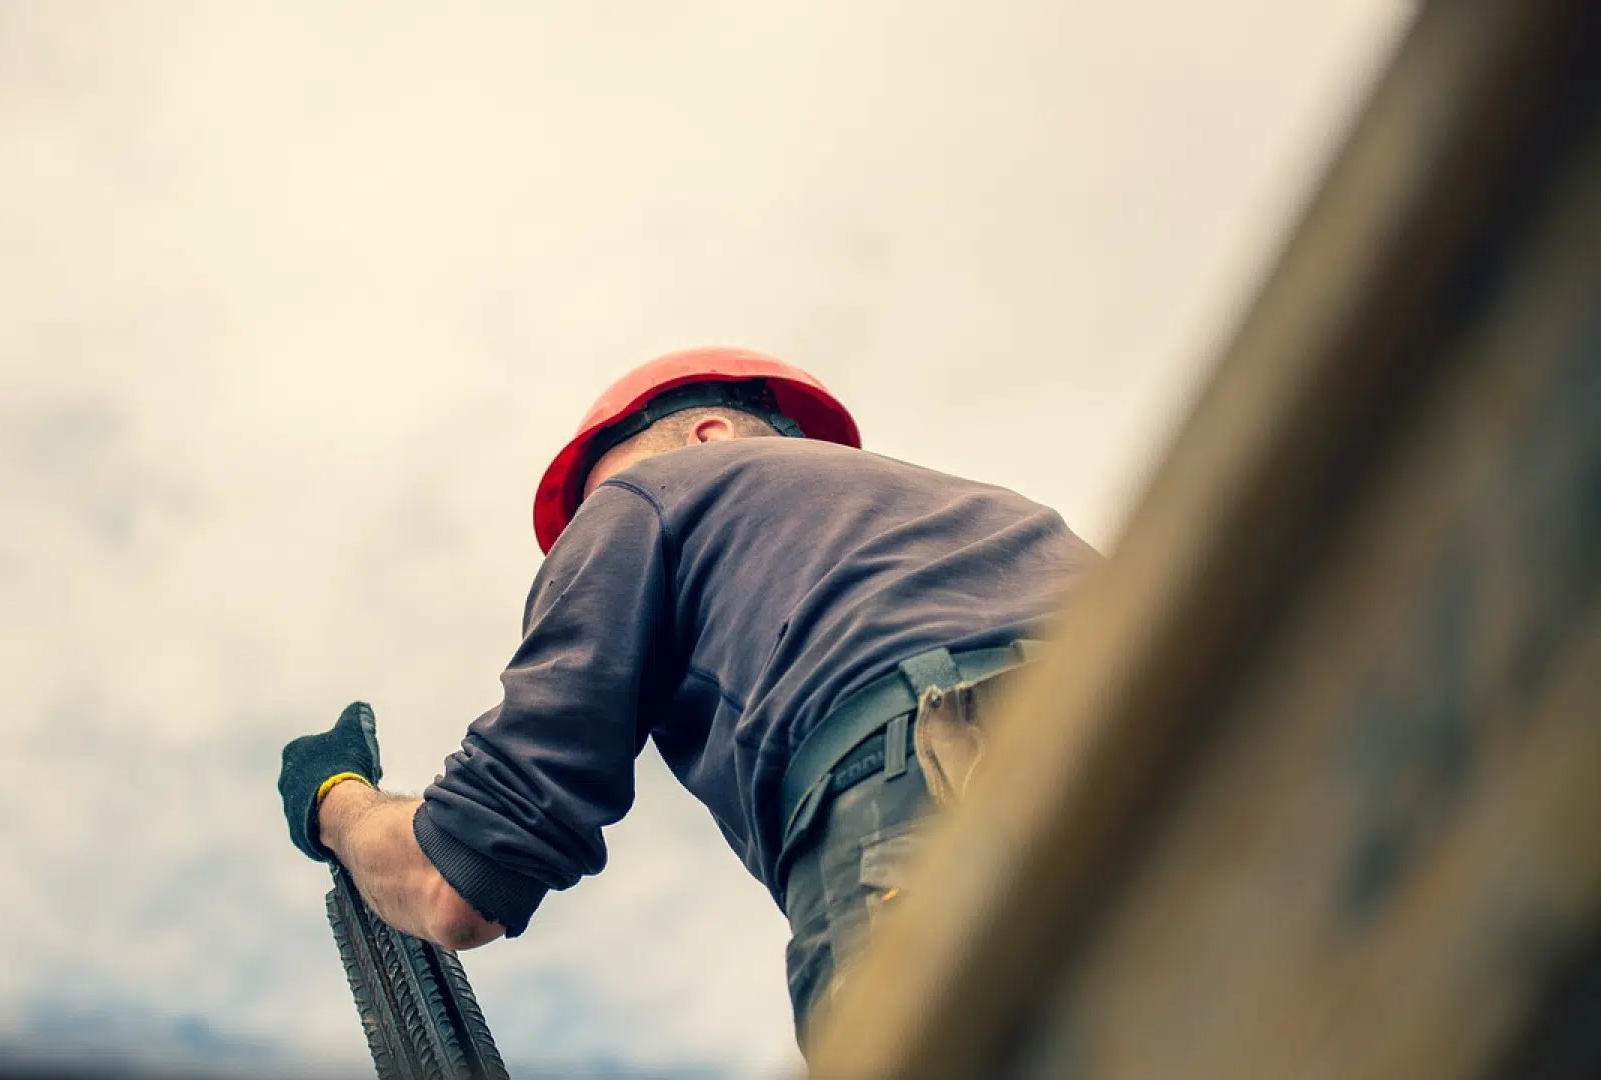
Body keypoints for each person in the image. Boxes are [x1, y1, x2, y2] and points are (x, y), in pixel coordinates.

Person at [278, 346, 1098, 1046]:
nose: (589, 527)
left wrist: (335, 799)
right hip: (1147, 753)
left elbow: (459, 880)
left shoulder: (660, 491)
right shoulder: (999, 515)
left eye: (597, 495)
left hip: (929, 781)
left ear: (707, 434)